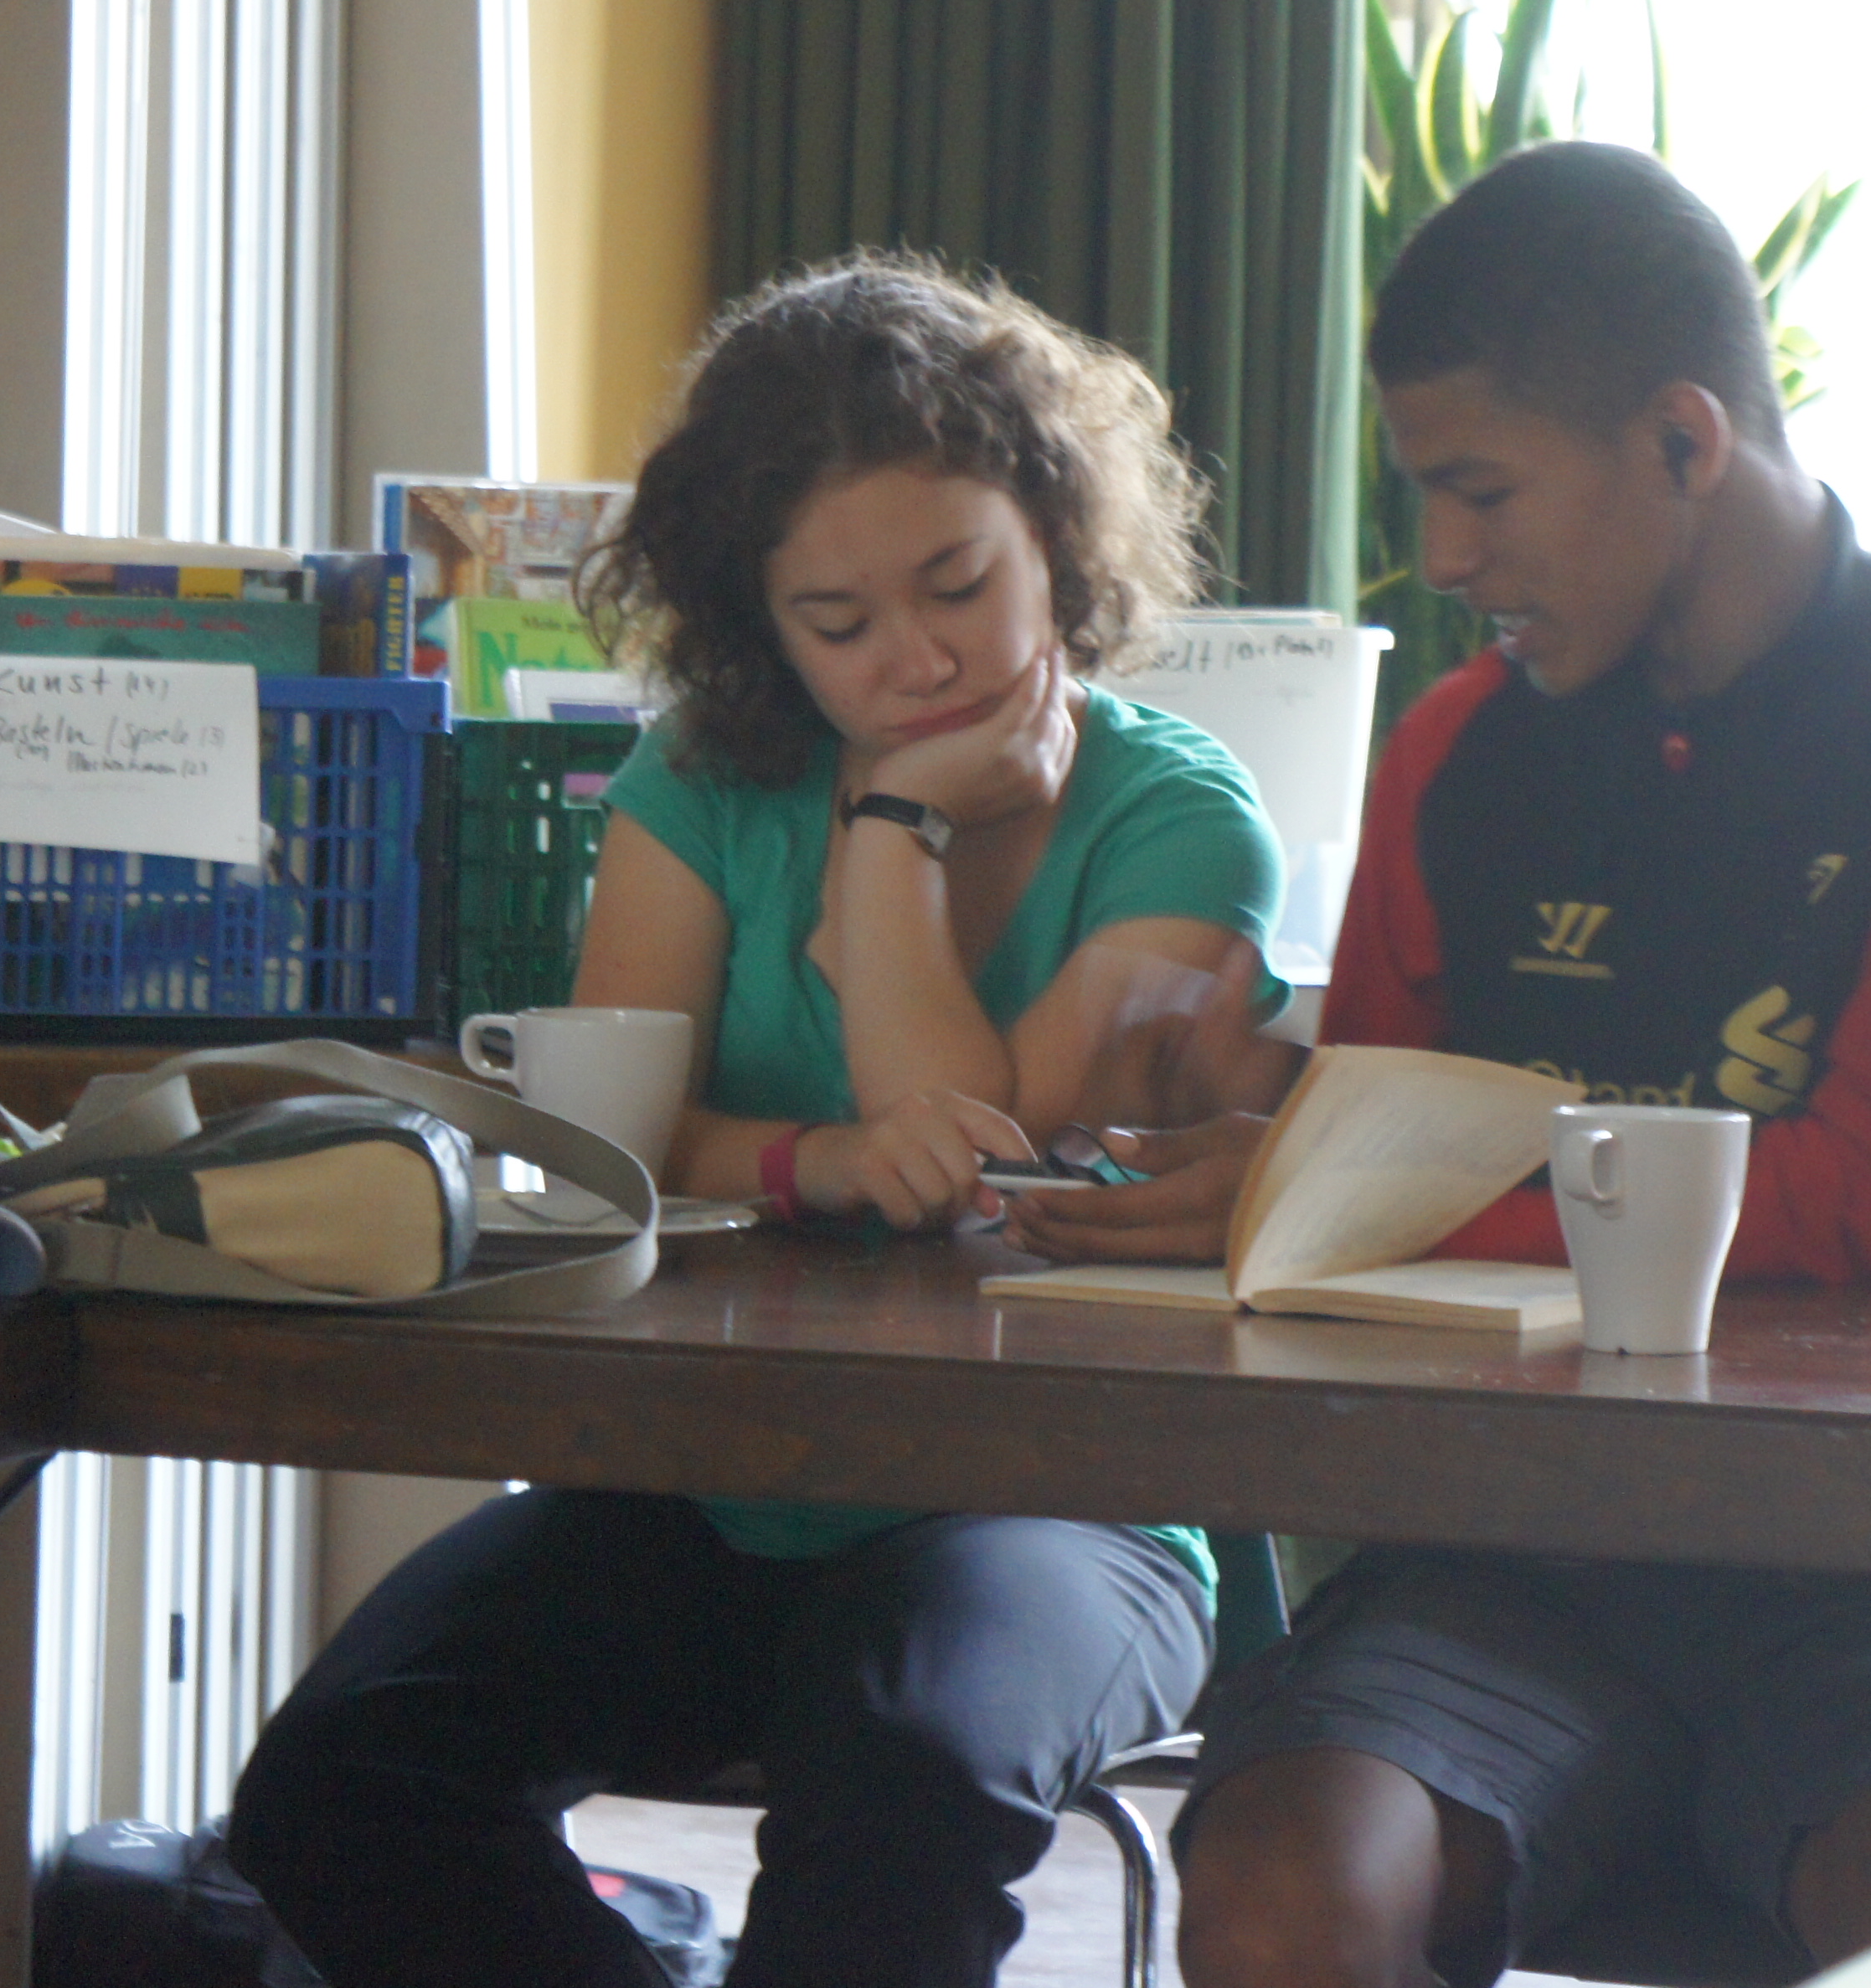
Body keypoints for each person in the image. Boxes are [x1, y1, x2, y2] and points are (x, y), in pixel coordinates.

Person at [1013, 141, 1871, 1985]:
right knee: (1272, 1898)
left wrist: (1354, 1186)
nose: (1446, 557)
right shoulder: (1459, 749)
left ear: (1681, 441)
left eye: (1480, 490)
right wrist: (1256, 1130)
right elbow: (1372, 1206)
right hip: (1506, 1549)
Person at [229, 256, 1288, 1988]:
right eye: (837, 623)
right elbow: (622, 1142)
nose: (915, 658)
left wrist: (888, 831)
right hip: (731, 1479)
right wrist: (805, 1164)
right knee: (342, 1784)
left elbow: (980, 1160)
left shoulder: (1180, 821)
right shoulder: (704, 782)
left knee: (900, 1781)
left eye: (957, 585)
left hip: (1061, 1502)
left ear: (1055, 537)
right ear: (758, 619)